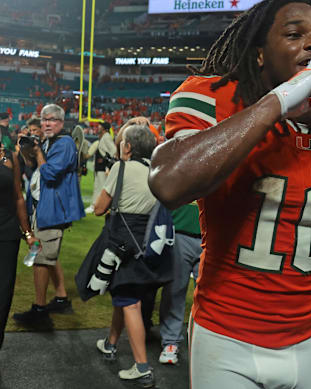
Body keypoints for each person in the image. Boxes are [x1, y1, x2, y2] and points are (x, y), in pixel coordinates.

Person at [148, 0, 311, 389]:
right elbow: (169, 184)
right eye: (295, 34)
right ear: (260, 53)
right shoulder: (215, 95)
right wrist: (276, 103)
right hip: (225, 338)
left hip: (309, 341)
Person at [92, 125, 171, 387]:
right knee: (125, 294)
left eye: (122, 142)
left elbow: (99, 208)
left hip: (124, 245)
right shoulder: (158, 169)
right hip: (152, 245)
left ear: (128, 147)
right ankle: (110, 343)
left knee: (129, 301)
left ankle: (142, 367)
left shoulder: (121, 168)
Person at [13, 104, 85, 328]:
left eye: (52, 120)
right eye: (44, 120)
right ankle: (62, 298)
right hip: (44, 206)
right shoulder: (50, 141)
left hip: (53, 209)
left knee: (41, 259)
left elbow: (51, 174)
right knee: (48, 255)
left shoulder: (63, 143)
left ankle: (39, 311)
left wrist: (36, 153)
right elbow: (33, 169)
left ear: (61, 122)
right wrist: (28, 152)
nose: (46, 123)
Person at [0, 105, 38, 379]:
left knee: (0, 298)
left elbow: (18, 196)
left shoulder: (11, 156)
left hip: (4, 235)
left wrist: (27, 232)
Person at [157, 199, 202, 365]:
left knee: (208, 296)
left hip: (212, 234)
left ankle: (203, 343)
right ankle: (170, 342)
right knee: (174, 290)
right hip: (179, 231)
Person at [86, 121, 116, 214]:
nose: (98, 127)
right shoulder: (104, 137)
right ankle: (97, 205)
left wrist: (107, 164)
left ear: (104, 128)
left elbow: (114, 151)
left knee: (100, 187)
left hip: (103, 167)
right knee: (98, 186)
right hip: (100, 167)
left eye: (100, 126)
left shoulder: (106, 137)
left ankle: (95, 206)